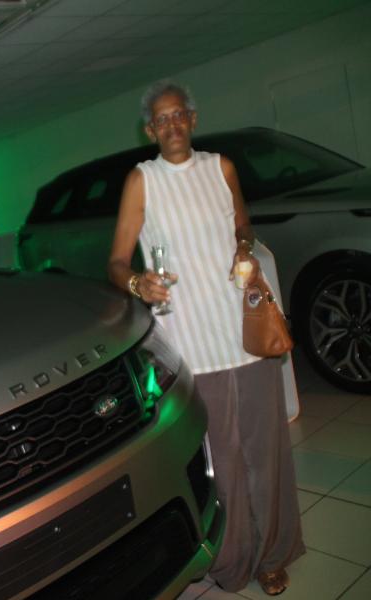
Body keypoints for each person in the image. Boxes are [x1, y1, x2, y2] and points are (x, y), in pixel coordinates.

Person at [108, 81, 304, 596]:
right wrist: (138, 283)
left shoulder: (222, 168)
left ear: (193, 119)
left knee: (267, 454)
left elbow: (243, 225)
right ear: (150, 130)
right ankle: (233, 561)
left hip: (245, 335)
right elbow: (117, 262)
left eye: (179, 115)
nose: (172, 125)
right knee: (223, 464)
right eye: (161, 119)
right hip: (192, 346)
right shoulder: (142, 181)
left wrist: (243, 247)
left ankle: (274, 555)